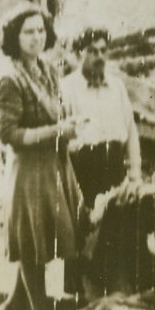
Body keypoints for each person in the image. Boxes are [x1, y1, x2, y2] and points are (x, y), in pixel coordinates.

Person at [0, 1, 84, 310]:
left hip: (52, 165)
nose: (35, 37)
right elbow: (8, 135)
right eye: (27, 31)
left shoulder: (47, 69)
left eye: (40, 31)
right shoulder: (9, 79)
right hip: (29, 171)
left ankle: (15, 306)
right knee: (33, 241)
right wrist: (57, 132)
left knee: (43, 235)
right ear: (14, 38)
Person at [61, 27, 141, 209]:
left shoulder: (117, 86)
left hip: (115, 169)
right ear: (78, 53)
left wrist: (135, 173)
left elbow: (130, 130)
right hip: (83, 173)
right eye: (92, 51)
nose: (99, 56)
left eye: (103, 51)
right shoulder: (66, 89)